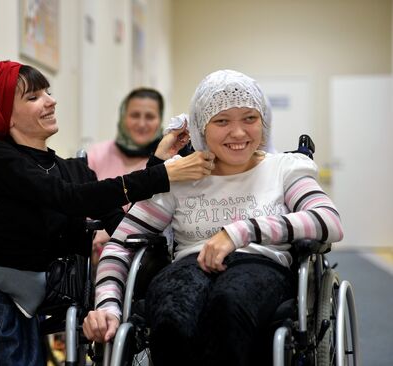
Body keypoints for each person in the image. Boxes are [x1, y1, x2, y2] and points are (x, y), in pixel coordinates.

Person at [0, 60, 212, 366]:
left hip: (53, 285)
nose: (51, 101)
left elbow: (126, 225)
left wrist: (159, 160)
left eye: (49, 93)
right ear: (5, 114)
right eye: (34, 97)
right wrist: (163, 174)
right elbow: (67, 198)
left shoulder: (73, 170)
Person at [82, 69, 344, 365]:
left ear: (263, 122)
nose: (239, 133)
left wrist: (238, 232)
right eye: (222, 121)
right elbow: (120, 245)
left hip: (260, 265)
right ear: (200, 128)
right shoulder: (181, 175)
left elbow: (328, 221)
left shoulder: (285, 168)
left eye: (250, 118)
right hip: (186, 267)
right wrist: (107, 305)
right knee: (171, 314)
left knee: (230, 305)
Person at [87, 87, 165, 261]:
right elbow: (83, 201)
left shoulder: (166, 162)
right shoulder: (97, 154)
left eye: (150, 117)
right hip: (91, 252)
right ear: (123, 117)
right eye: (135, 115)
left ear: (160, 120)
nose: (142, 124)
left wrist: (111, 233)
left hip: (144, 255)